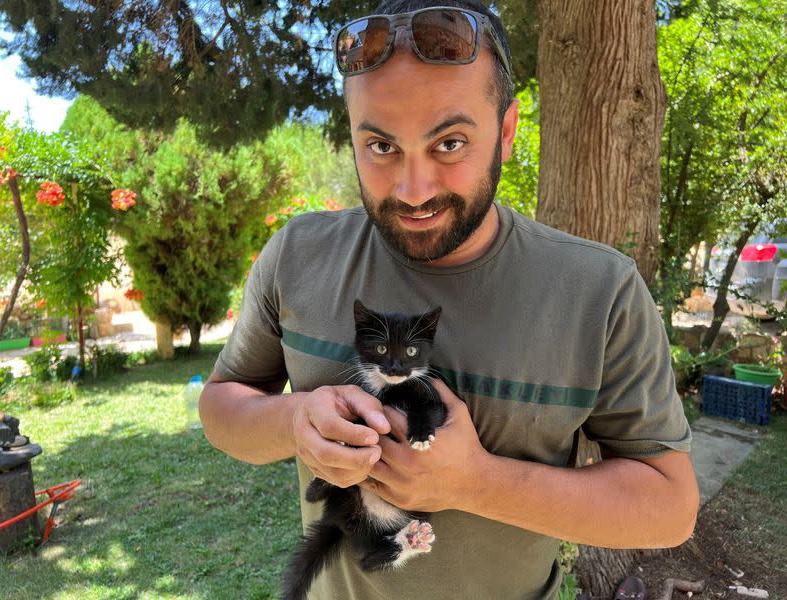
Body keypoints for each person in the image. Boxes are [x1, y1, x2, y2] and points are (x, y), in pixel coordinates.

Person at [199, 1, 699, 598]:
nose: (414, 191)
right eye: (381, 146)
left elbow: (670, 507)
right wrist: (292, 420)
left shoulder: (601, 291)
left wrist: (476, 482)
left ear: (507, 131)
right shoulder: (297, 257)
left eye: (450, 142)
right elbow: (222, 407)